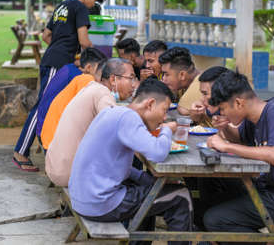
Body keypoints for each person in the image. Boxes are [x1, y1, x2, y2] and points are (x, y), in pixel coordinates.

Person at [69, 78, 192, 245]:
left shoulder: (113, 112)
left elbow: (118, 166)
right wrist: (166, 131)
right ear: (150, 104)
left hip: (83, 198)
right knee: (180, 195)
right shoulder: (129, 118)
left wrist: (145, 179)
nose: (163, 117)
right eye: (164, 111)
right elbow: (157, 153)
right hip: (100, 203)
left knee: (151, 191)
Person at [201, 72, 274, 245]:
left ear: (239, 103)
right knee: (210, 190)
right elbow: (239, 139)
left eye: (224, 109)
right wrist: (225, 129)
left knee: (215, 219)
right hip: (268, 189)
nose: (222, 113)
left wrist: (225, 146)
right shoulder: (251, 118)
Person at [13, 0, 107, 171]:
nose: (92, 6)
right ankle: (21, 151)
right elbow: (84, 40)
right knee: (42, 105)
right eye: (94, 1)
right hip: (59, 63)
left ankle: (46, 147)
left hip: (51, 59)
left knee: (51, 103)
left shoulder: (62, 6)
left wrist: (58, 47)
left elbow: (46, 35)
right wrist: (99, 55)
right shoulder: (80, 7)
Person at [46, 58, 136, 187]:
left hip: (55, 167)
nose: (133, 84)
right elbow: (114, 128)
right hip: (70, 174)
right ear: (113, 79)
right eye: (130, 78)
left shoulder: (92, 88)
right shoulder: (102, 93)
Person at [36, 47, 107, 141]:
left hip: (44, 129)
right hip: (54, 136)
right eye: (100, 70)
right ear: (89, 67)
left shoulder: (69, 68)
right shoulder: (82, 78)